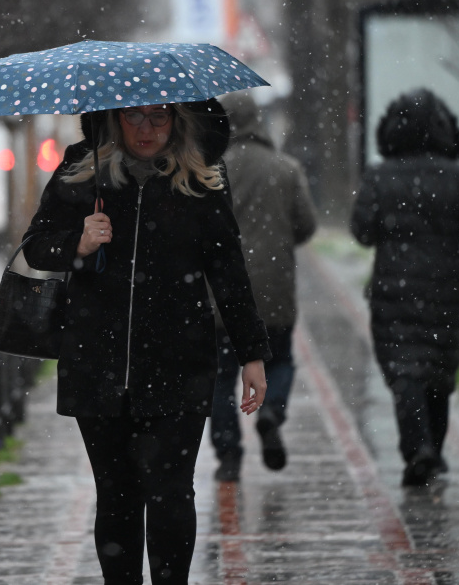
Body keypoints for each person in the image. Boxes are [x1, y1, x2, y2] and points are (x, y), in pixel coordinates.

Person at [21, 98, 272, 585]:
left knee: (172, 492)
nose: (146, 128)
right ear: (112, 117)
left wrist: (253, 354)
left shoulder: (201, 179)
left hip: (179, 363)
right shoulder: (81, 169)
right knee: (116, 495)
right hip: (97, 363)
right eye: (133, 115)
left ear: (178, 121)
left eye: (159, 117)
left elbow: (229, 273)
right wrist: (78, 240)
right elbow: (35, 245)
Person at [350, 88, 459, 487]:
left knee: (404, 373)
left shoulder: (379, 176)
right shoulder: (458, 178)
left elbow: (361, 232)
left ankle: (418, 449)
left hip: (393, 289)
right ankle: (433, 450)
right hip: (445, 291)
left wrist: (388, 222)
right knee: (439, 376)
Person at [209, 92, 317, 482]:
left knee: (220, 377)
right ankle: (271, 411)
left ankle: (228, 455)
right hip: (274, 290)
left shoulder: (210, 170)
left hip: (221, 295)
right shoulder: (285, 169)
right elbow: (306, 226)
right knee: (281, 359)